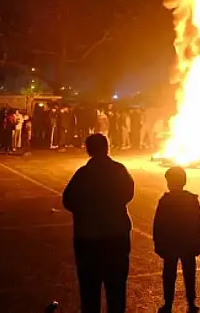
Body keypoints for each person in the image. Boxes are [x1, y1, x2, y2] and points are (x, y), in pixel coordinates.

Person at [62, 134, 134, 313]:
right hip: (116, 236)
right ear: (107, 147)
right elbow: (128, 194)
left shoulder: (84, 174)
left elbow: (68, 200)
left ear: (89, 150)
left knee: (89, 290)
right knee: (116, 288)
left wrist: (87, 210)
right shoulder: (119, 170)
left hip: (88, 239)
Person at [153, 166, 200, 313]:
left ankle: (168, 302)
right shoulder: (192, 199)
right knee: (189, 272)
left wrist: (158, 242)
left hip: (170, 243)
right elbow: (199, 221)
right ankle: (191, 301)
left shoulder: (165, 201)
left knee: (169, 273)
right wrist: (199, 239)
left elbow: (158, 224)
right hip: (187, 242)